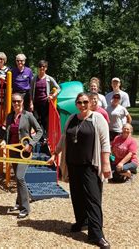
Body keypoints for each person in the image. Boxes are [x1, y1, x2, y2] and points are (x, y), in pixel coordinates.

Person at [49, 92, 111, 249]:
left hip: (89, 165)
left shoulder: (98, 119)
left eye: (85, 102)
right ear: (76, 104)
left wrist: (105, 164)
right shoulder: (71, 119)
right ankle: (82, 221)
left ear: (90, 102)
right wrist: (55, 153)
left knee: (93, 199)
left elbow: (105, 143)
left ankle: (97, 234)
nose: (82, 105)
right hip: (73, 164)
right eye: (79, 102)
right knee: (77, 196)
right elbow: (64, 137)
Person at [1, 93, 43, 219]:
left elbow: (39, 131)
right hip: (13, 151)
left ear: (22, 102)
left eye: (18, 101)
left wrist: (31, 144)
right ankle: (19, 202)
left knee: (20, 177)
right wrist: (4, 141)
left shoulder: (28, 116)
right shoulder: (9, 117)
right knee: (17, 178)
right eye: (14, 101)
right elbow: (7, 132)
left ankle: (25, 208)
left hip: (24, 152)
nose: (16, 103)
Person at [30, 60, 61, 140]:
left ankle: (45, 138)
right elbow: (31, 91)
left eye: (43, 67)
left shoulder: (49, 78)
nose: (42, 68)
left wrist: (53, 96)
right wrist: (31, 103)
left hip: (45, 103)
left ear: (46, 68)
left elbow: (58, 88)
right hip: (36, 103)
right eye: (40, 67)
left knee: (45, 121)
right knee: (36, 120)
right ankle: (39, 137)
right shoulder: (34, 78)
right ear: (38, 68)